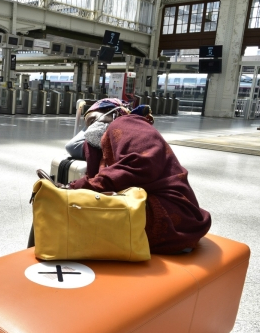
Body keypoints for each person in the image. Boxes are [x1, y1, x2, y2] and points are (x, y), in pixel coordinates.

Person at [64, 98, 211, 254]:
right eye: (87, 125)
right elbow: (72, 147)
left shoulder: (127, 123)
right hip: (156, 209)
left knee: (72, 219)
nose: (91, 128)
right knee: (73, 214)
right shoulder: (105, 148)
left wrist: (81, 186)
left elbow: (142, 164)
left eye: (94, 119)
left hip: (171, 213)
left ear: (115, 113)